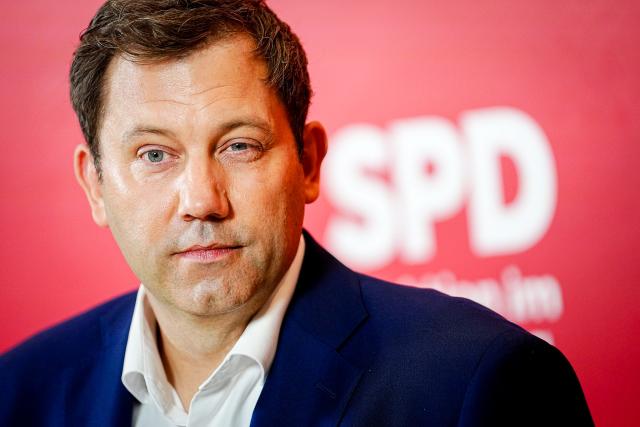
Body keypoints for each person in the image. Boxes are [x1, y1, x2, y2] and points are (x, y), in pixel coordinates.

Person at [0, 1, 593, 426]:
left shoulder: (478, 382)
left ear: (308, 162)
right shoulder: (18, 393)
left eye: (239, 146)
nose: (203, 200)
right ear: (96, 185)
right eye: (154, 154)